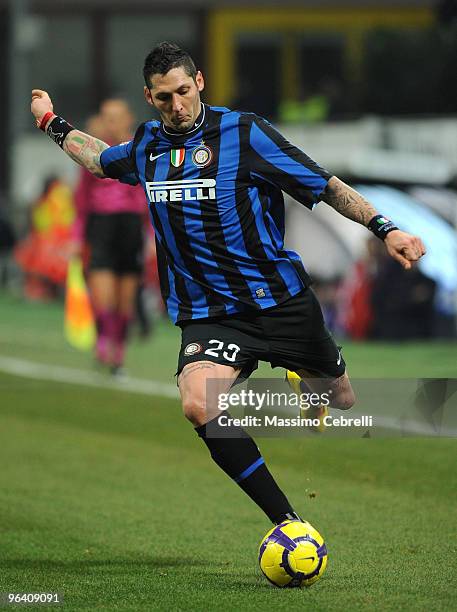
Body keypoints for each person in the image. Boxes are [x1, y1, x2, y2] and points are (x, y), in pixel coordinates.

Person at [30, 42, 426, 526]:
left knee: (341, 399)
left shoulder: (245, 132)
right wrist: (51, 121)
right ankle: (288, 523)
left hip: (279, 300)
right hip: (209, 314)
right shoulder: (148, 145)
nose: (176, 107)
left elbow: (324, 186)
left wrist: (387, 229)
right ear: (149, 98)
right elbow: (99, 159)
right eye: (162, 98)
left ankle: (307, 380)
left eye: (182, 92)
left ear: (199, 83)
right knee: (198, 405)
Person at [71, 100, 148, 373]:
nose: (110, 122)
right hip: (101, 223)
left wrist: (151, 234)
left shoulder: (139, 150)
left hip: (130, 225)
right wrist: (77, 235)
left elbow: (147, 194)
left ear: (128, 119)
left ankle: (120, 353)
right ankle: (104, 338)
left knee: (125, 296)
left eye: (116, 117)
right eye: (106, 117)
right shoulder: (93, 152)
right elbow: (81, 197)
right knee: (102, 289)